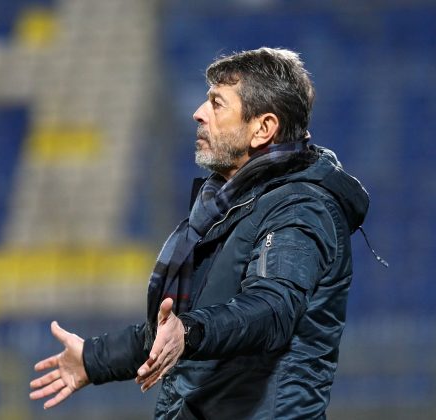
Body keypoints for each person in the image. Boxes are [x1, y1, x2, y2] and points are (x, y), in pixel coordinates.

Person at [29, 47, 370, 419]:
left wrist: (187, 333)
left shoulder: (299, 207)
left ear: (263, 128)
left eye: (217, 103)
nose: (198, 113)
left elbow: (271, 310)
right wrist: (94, 359)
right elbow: (177, 327)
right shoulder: (230, 206)